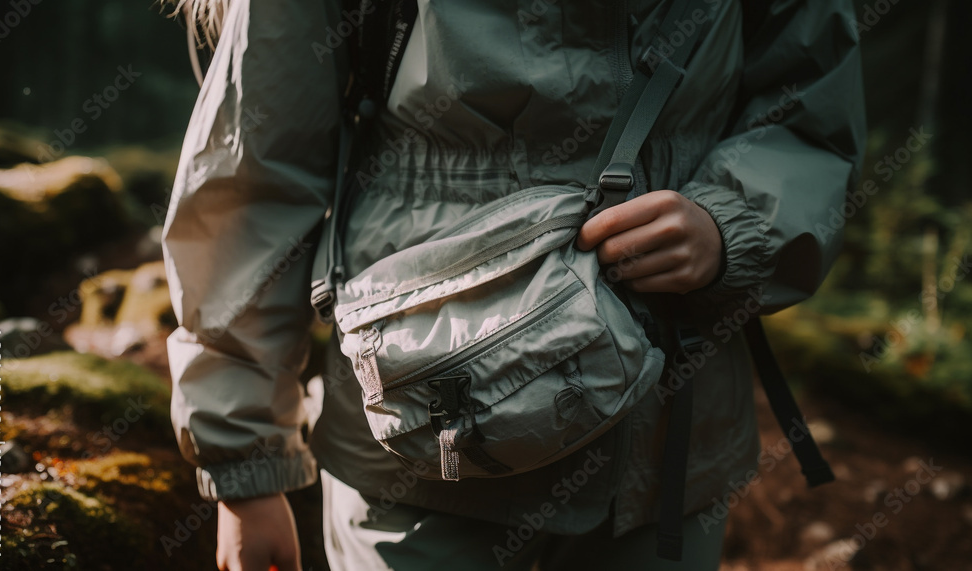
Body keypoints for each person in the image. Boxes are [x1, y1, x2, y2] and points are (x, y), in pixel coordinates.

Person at [161, 0, 866, 569]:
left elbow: (808, 104)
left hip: (663, 446)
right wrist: (244, 464)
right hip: (419, 448)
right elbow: (252, 178)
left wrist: (732, 223)